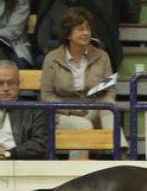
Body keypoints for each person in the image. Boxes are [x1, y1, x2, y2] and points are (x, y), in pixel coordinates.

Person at [40, 6, 127, 159]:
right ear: (68, 33)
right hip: (61, 112)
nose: (86, 33)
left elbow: (109, 89)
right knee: (83, 126)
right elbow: (46, 96)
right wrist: (72, 110)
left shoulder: (102, 56)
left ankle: (120, 153)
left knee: (108, 108)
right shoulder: (52, 58)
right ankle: (77, 171)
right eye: (80, 29)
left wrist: (107, 100)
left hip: (92, 107)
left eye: (88, 29)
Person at [33, 0, 139, 69]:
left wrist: (81, 47)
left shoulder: (93, 8)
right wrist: (70, 46)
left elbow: (101, 42)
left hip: (87, 55)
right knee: (45, 60)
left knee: (100, 59)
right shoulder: (51, 7)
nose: (84, 32)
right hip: (57, 53)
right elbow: (42, 41)